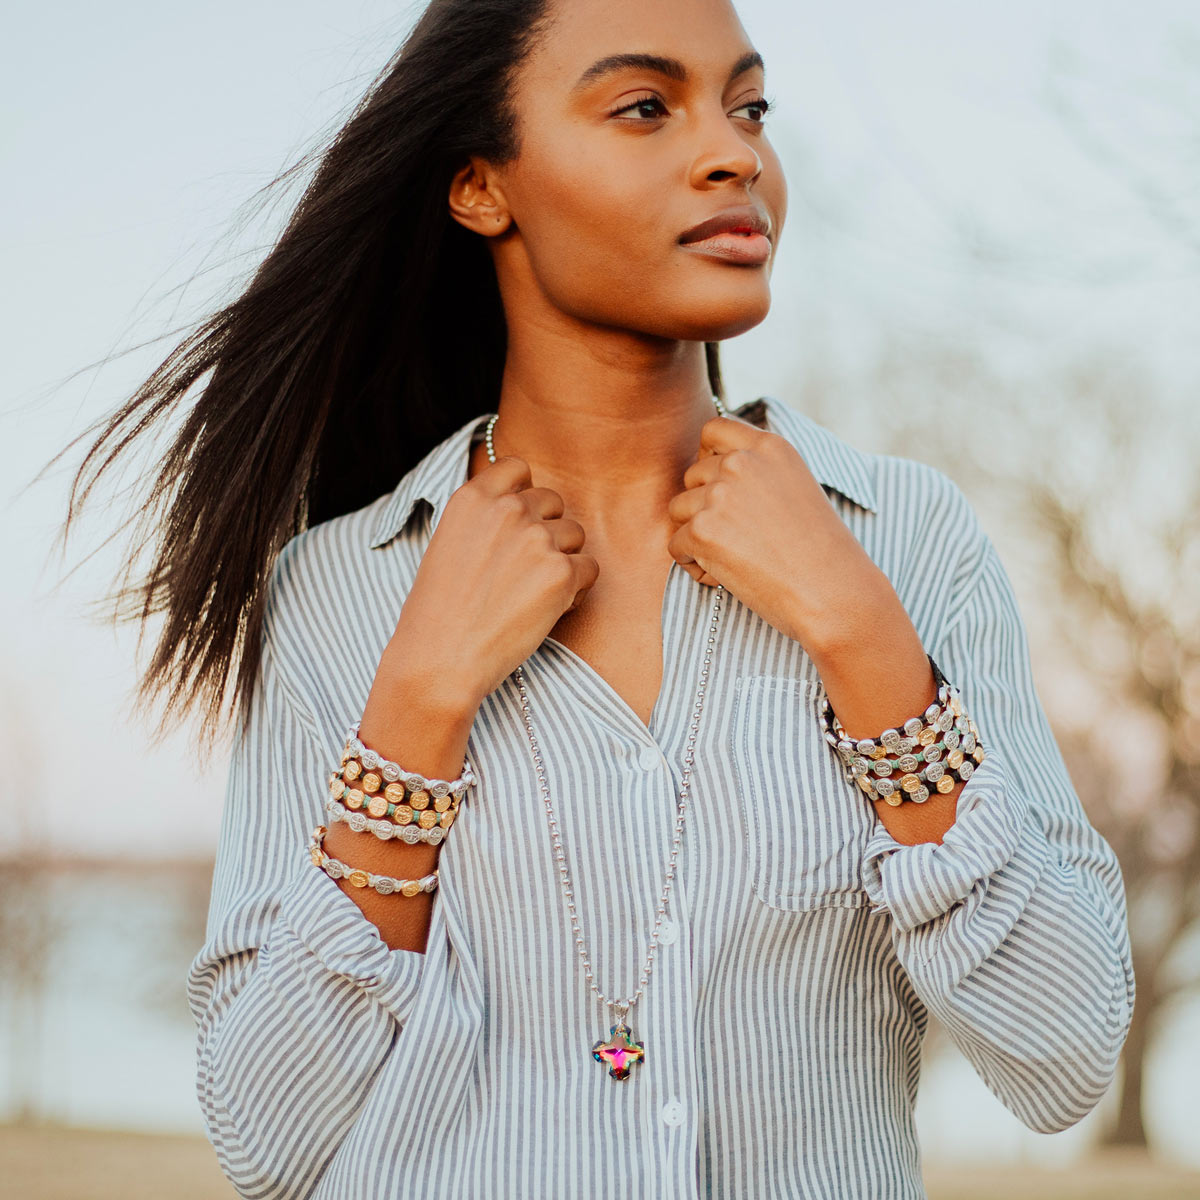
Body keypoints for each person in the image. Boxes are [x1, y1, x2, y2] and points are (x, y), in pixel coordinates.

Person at [69, 0, 1135, 1195]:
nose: (736, 153)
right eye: (644, 106)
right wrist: (417, 707)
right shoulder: (337, 592)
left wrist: (867, 644)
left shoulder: (908, 543)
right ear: (482, 187)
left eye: (750, 107)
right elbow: (268, 1139)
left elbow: (1065, 1055)